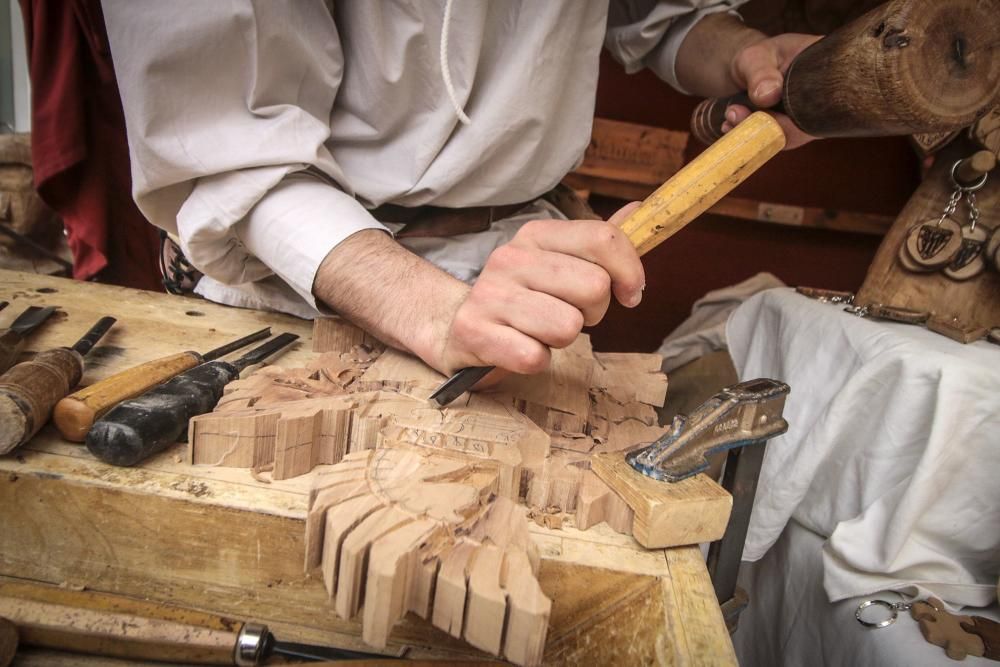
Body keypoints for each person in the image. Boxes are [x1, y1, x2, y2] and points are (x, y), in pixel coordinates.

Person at [102, 1, 818, 381]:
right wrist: (437, 313)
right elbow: (230, 148)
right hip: (300, 275)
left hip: (509, 274)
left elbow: (653, 12)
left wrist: (733, 49)